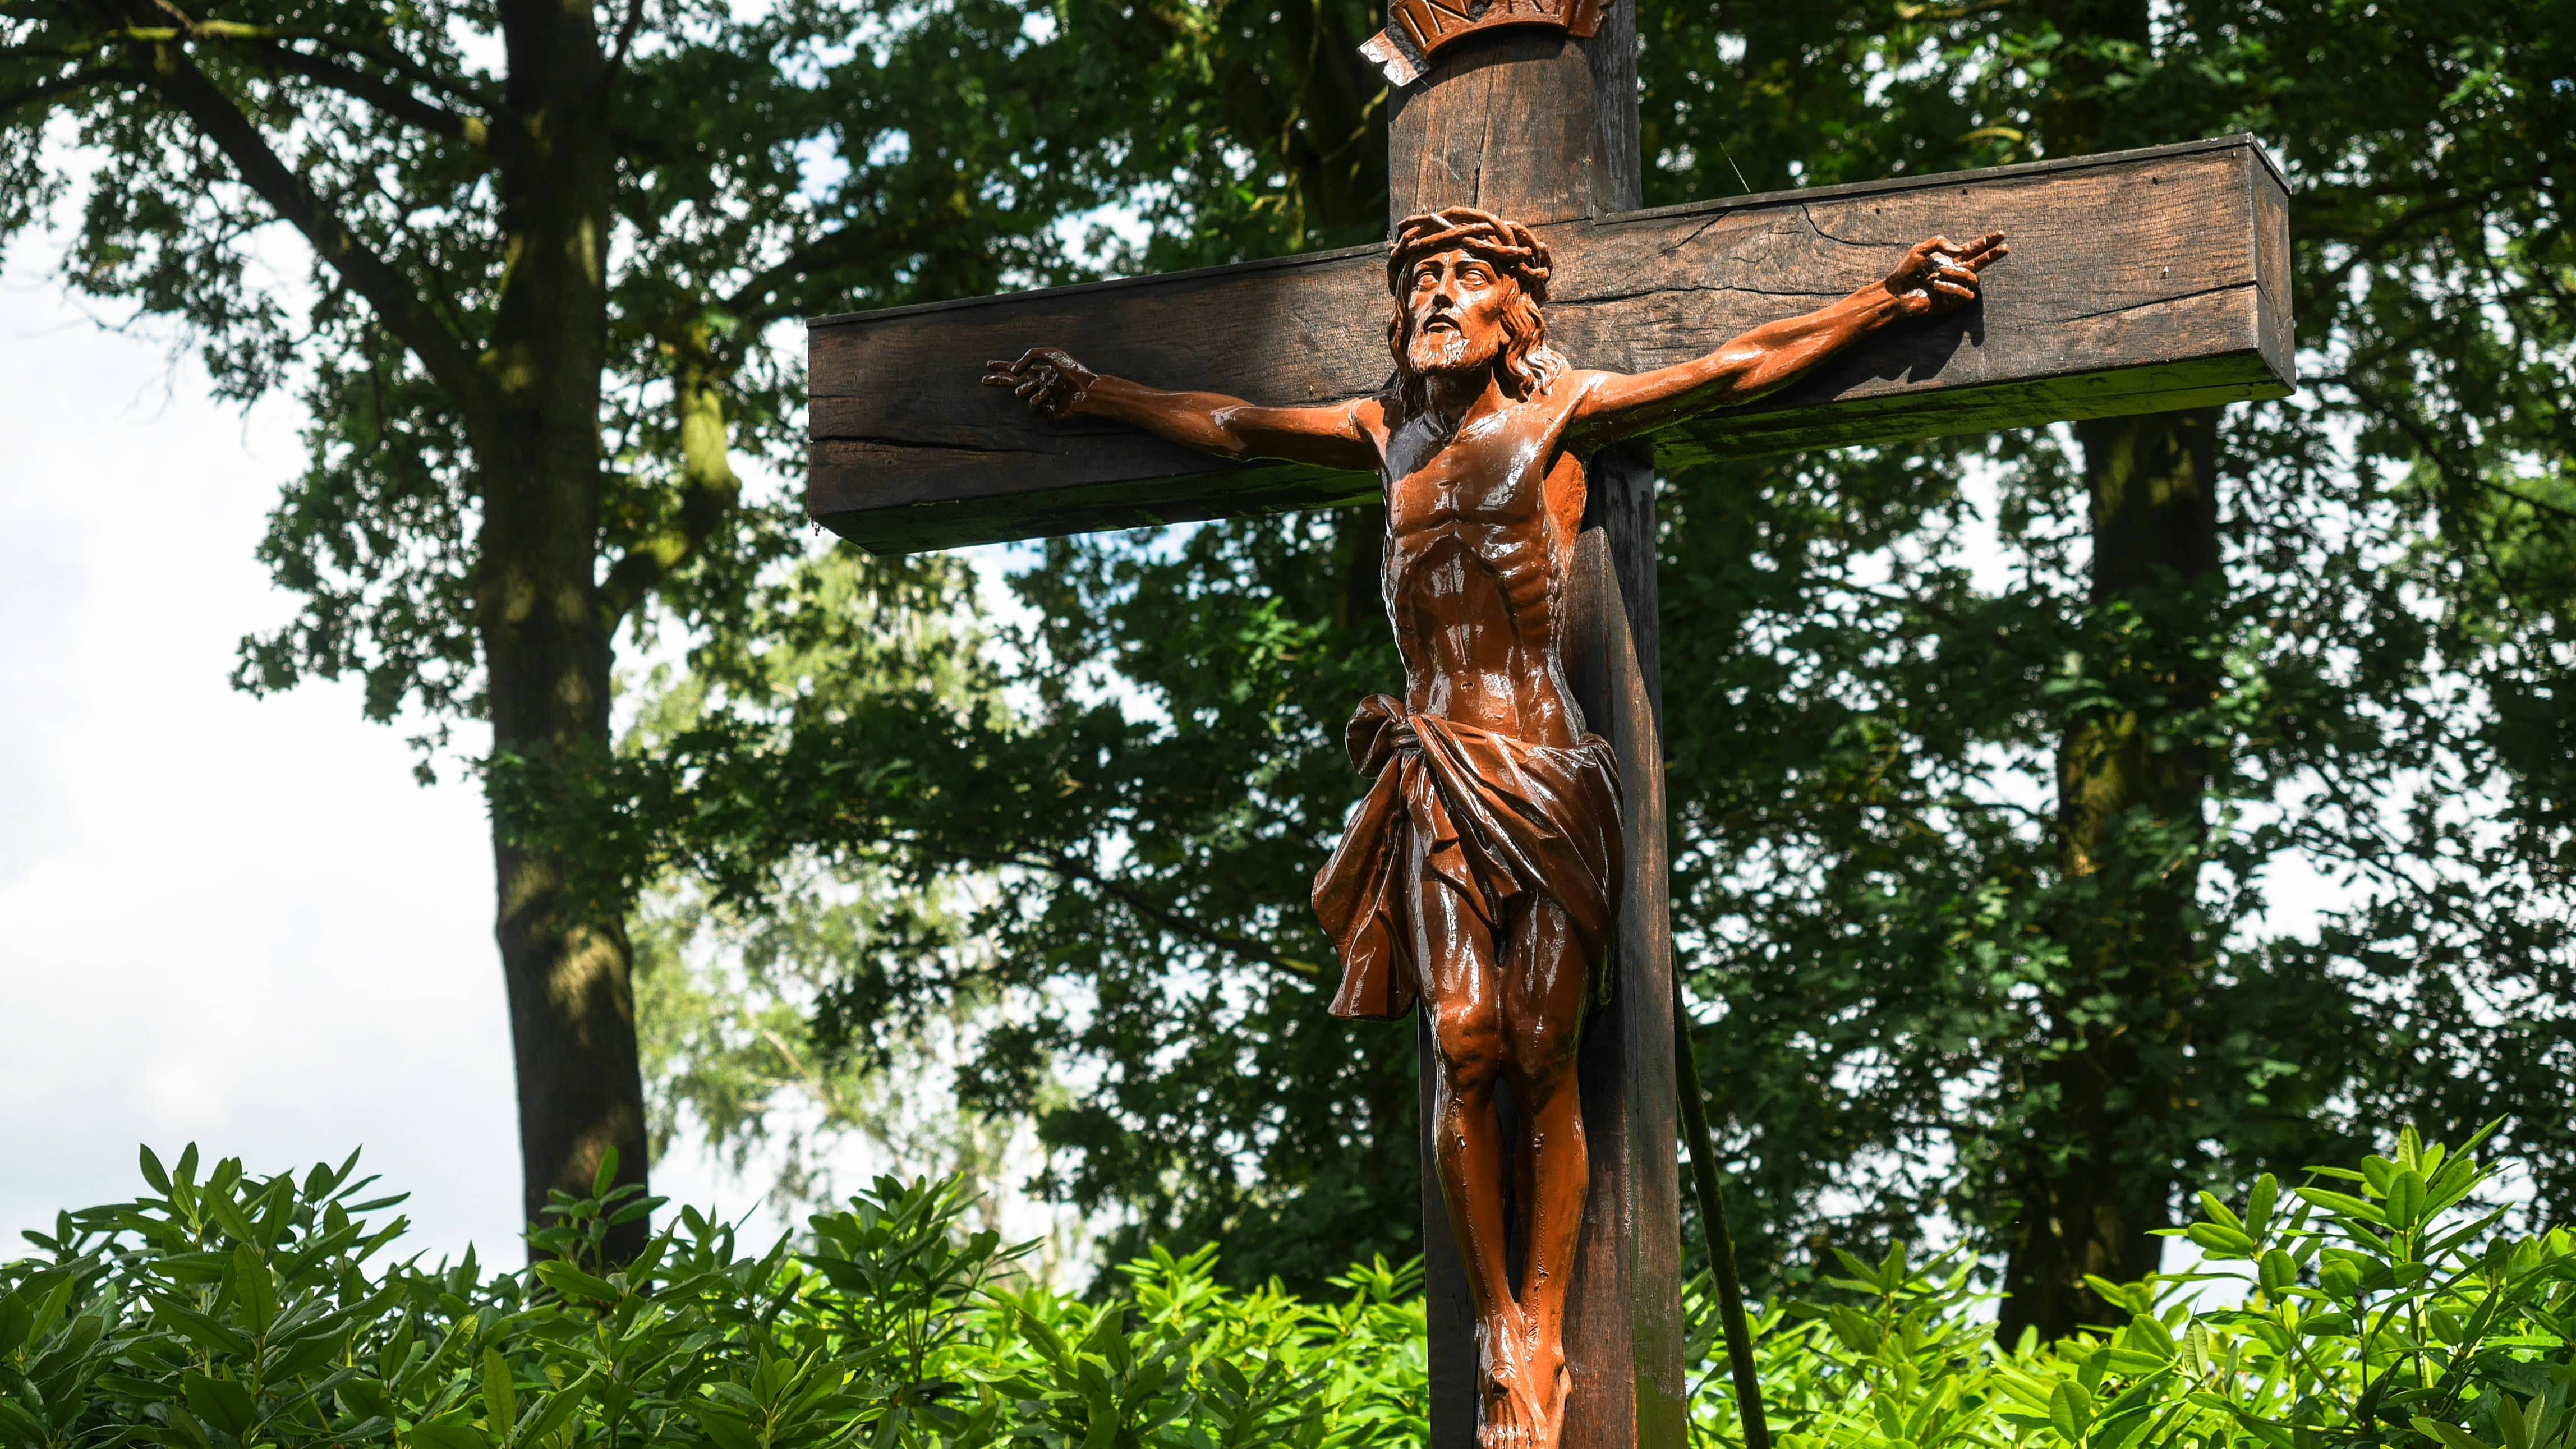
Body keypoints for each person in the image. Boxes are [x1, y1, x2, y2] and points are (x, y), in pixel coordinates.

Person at [986, 208, 2005, 1449]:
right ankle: (1500, 1330)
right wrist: (1098, 394)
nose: (1436, 294)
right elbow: (1234, 423)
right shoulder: (1381, 434)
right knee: (1463, 1040)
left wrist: (1885, 300)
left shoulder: (1565, 409)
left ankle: (1548, 1318)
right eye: (1421, 277)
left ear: (1513, 312)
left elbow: (1735, 366)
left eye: (1465, 276)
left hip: (1549, 771)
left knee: (1541, 1047)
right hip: (1436, 772)